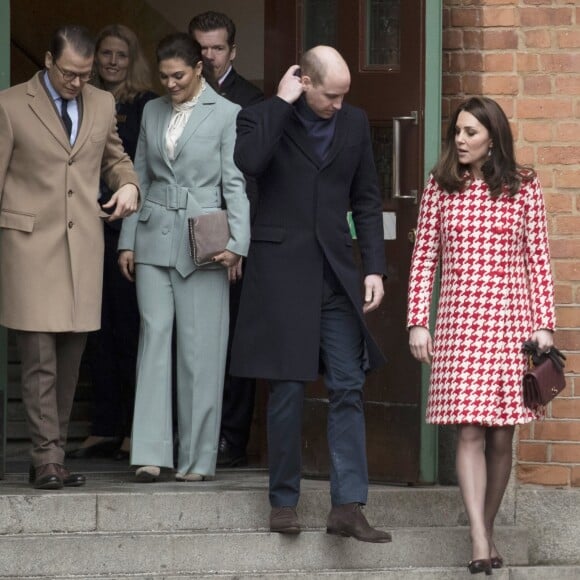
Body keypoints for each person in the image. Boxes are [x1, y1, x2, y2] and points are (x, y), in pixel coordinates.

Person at [230, 46, 391, 543]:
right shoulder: (260, 116)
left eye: (345, 96)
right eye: (331, 95)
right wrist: (280, 103)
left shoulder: (355, 123)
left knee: (348, 384)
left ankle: (347, 506)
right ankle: (283, 502)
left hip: (337, 279)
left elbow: (366, 199)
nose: (339, 105)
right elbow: (249, 163)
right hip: (281, 274)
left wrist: (375, 269)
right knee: (287, 391)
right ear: (305, 81)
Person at [407, 97, 555, 574]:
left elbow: (539, 260)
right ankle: (477, 536)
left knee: (500, 435)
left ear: (493, 137)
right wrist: (418, 321)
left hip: (511, 323)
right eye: (457, 131)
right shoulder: (440, 185)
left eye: (471, 132)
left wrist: (544, 324)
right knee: (468, 429)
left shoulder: (523, 186)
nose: (460, 139)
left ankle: (485, 529)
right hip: (458, 322)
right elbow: (424, 258)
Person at [0, 24, 139, 489]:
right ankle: (46, 460)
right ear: (46, 60)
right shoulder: (9, 104)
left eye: (84, 74)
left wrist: (130, 186)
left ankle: (53, 453)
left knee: (70, 361)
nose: (78, 83)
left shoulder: (102, 103)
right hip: (28, 248)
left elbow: (114, 159)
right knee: (39, 361)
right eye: (69, 73)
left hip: (83, 250)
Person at [118, 33, 250, 483]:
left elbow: (234, 183)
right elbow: (138, 173)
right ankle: (151, 453)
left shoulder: (228, 113)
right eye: (164, 76)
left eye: (178, 75)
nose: (170, 83)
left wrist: (239, 243)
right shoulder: (152, 110)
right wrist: (127, 239)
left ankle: (197, 458)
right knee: (154, 338)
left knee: (200, 350)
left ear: (198, 69)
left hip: (205, 240)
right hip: (154, 233)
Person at [67, 24, 157, 462]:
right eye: (106, 54)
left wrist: (134, 236)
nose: (113, 62)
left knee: (130, 331)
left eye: (121, 54)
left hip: (127, 230)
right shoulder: (78, 98)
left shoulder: (145, 106)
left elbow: (141, 169)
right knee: (95, 333)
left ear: (132, 58)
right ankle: (103, 427)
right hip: (85, 228)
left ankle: (132, 430)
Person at [189, 9, 263, 468]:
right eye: (201, 48)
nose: (209, 56)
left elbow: (251, 177)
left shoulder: (251, 101)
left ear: (232, 51)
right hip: (183, 229)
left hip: (230, 235)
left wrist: (238, 241)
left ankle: (230, 440)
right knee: (190, 339)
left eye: (217, 48)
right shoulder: (178, 94)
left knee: (234, 340)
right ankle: (190, 435)